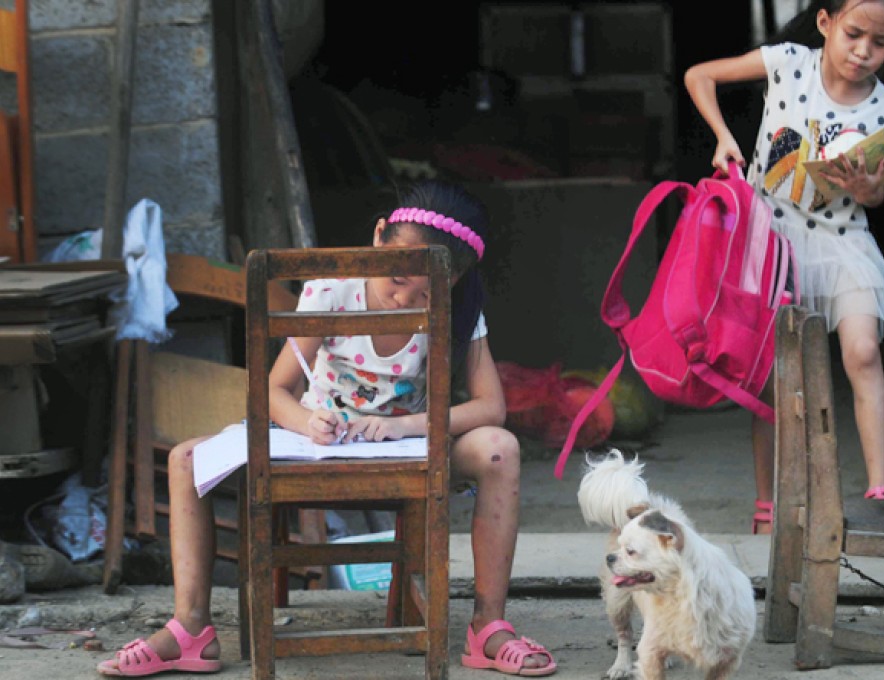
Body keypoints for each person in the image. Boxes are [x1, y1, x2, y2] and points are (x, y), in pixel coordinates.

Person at [98, 179, 557, 677]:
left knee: (500, 449)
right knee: (186, 458)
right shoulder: (332, 291)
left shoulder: (459, 307)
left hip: (407, 446)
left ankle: (487, 629)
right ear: (380, 237)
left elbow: (492, 407)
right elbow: (274, 391)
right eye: (399, 278)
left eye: (427, 291)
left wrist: (406, 426)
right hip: (316, 440)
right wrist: (306, 421)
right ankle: (190, 630)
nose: (406, 297)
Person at [684, 0, 884, 534]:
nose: (863, 51)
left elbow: (876, 197)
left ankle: (879, 491)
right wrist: (722, 135)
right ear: (826, 23)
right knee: (773, 382)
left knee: (863, 351)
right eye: (854, 34)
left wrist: (866, 189)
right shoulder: (788, 62)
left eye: (879, 43)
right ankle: (769, 505)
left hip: (842, 241)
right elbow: (699, 76)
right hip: (770, 238)